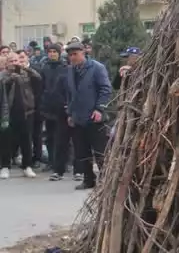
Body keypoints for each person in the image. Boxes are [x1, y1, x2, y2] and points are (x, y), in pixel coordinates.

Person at [66, 42, 112, 189]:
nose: (73, 57)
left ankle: (106, 181)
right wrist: (70, 113)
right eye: (70, 54)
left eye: (75, 54)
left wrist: (99, 109)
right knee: (82, 151)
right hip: (78, 118)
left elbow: (105, 89)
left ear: (84, 52)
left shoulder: (97, 68)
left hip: (94, 117)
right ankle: (88, 179)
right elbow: (70, 94)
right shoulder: (70, 70)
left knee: (100, 151)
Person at [0, 52, 41, 179]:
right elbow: (3, 86)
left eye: (16, 60)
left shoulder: (26, 73)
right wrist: (11, 78)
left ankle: (27, 166)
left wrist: (26, 68)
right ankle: (5, 167)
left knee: (26, 140)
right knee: (6, 141)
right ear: (6, 63)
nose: (14, 63)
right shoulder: (3, 75)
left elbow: (38, 79)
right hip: (8, 113)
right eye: (11, 61)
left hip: (26, 111)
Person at [39, 43, 71, 179]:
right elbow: (41, 87)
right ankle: (51, 161)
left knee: (63, 137)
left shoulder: (65, 68)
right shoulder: (44, 68)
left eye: (54, 51)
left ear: (59, 53)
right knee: (50, 136)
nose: (52, 54)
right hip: (48, 106)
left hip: (61, 107)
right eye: (50, 51)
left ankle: (65, 162)